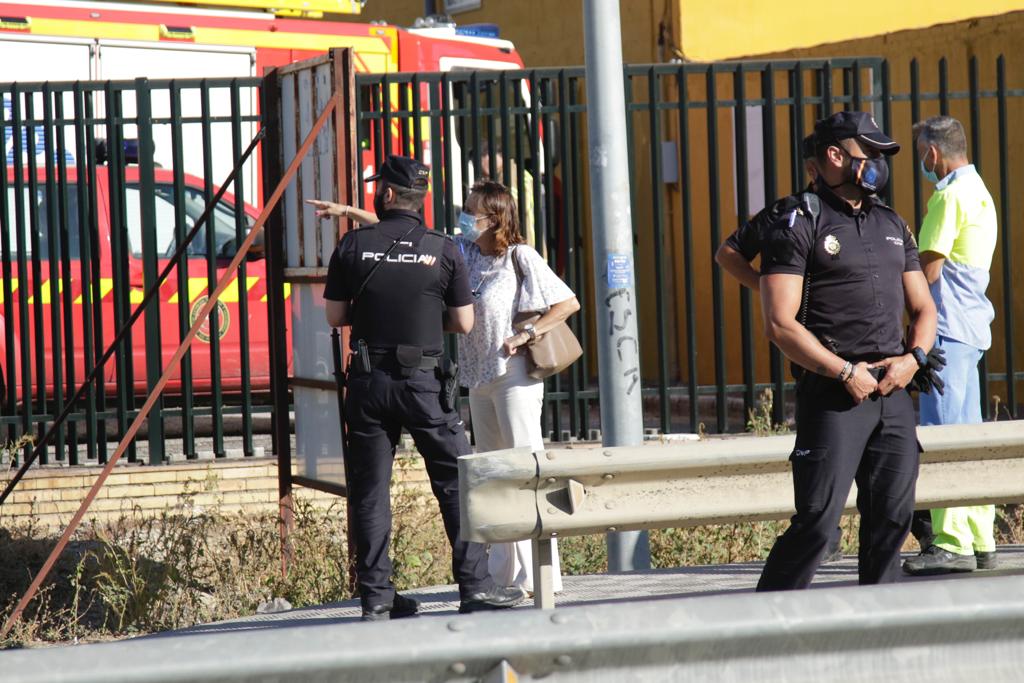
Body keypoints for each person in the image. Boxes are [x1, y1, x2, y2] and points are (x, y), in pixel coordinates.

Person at [319, 154, 523, 620]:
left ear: (386, 195)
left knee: (371, 491)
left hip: (369, 382)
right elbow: (464, 322)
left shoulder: (353, 246)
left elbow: (334, 316)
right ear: (420, 197)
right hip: (425, 384)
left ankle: (377, 597)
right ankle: (474, 587)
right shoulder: (442, 249)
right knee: (456, 483)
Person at [756, 111, 937, 591]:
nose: (878, 162)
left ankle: (879, 642)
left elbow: (924, 309)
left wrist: (913, 358)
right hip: (836, 393)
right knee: (818, 524)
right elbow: (779, 323)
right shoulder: (799, 220)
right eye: (870, 153)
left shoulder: (892, 223)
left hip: (893, 391)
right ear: (835, 156)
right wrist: (843, 372)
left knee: (892, 522)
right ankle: (758, 633)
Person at [455, 179, 580, 597]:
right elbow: (417, 239)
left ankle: (541, 575)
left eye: (472, 209)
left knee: (526, 469)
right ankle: (505, 574)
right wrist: (356, 216)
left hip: (514, 376)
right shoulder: (466, 251)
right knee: (494, 473)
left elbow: (567, 303)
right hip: (478, 375)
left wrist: (525, 334)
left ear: (494, 218)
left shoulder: (519, 255)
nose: (465, 215)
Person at [902, 116, 999, 576]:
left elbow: (929, 267)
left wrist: (908, 324)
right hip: (971, 328)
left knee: (942, 438)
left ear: (932, 155)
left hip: (946, 330)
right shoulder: (979, 190)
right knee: (970, 437)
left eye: (921, 153)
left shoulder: (948, 195)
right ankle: (980, 538)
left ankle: (949, 543)